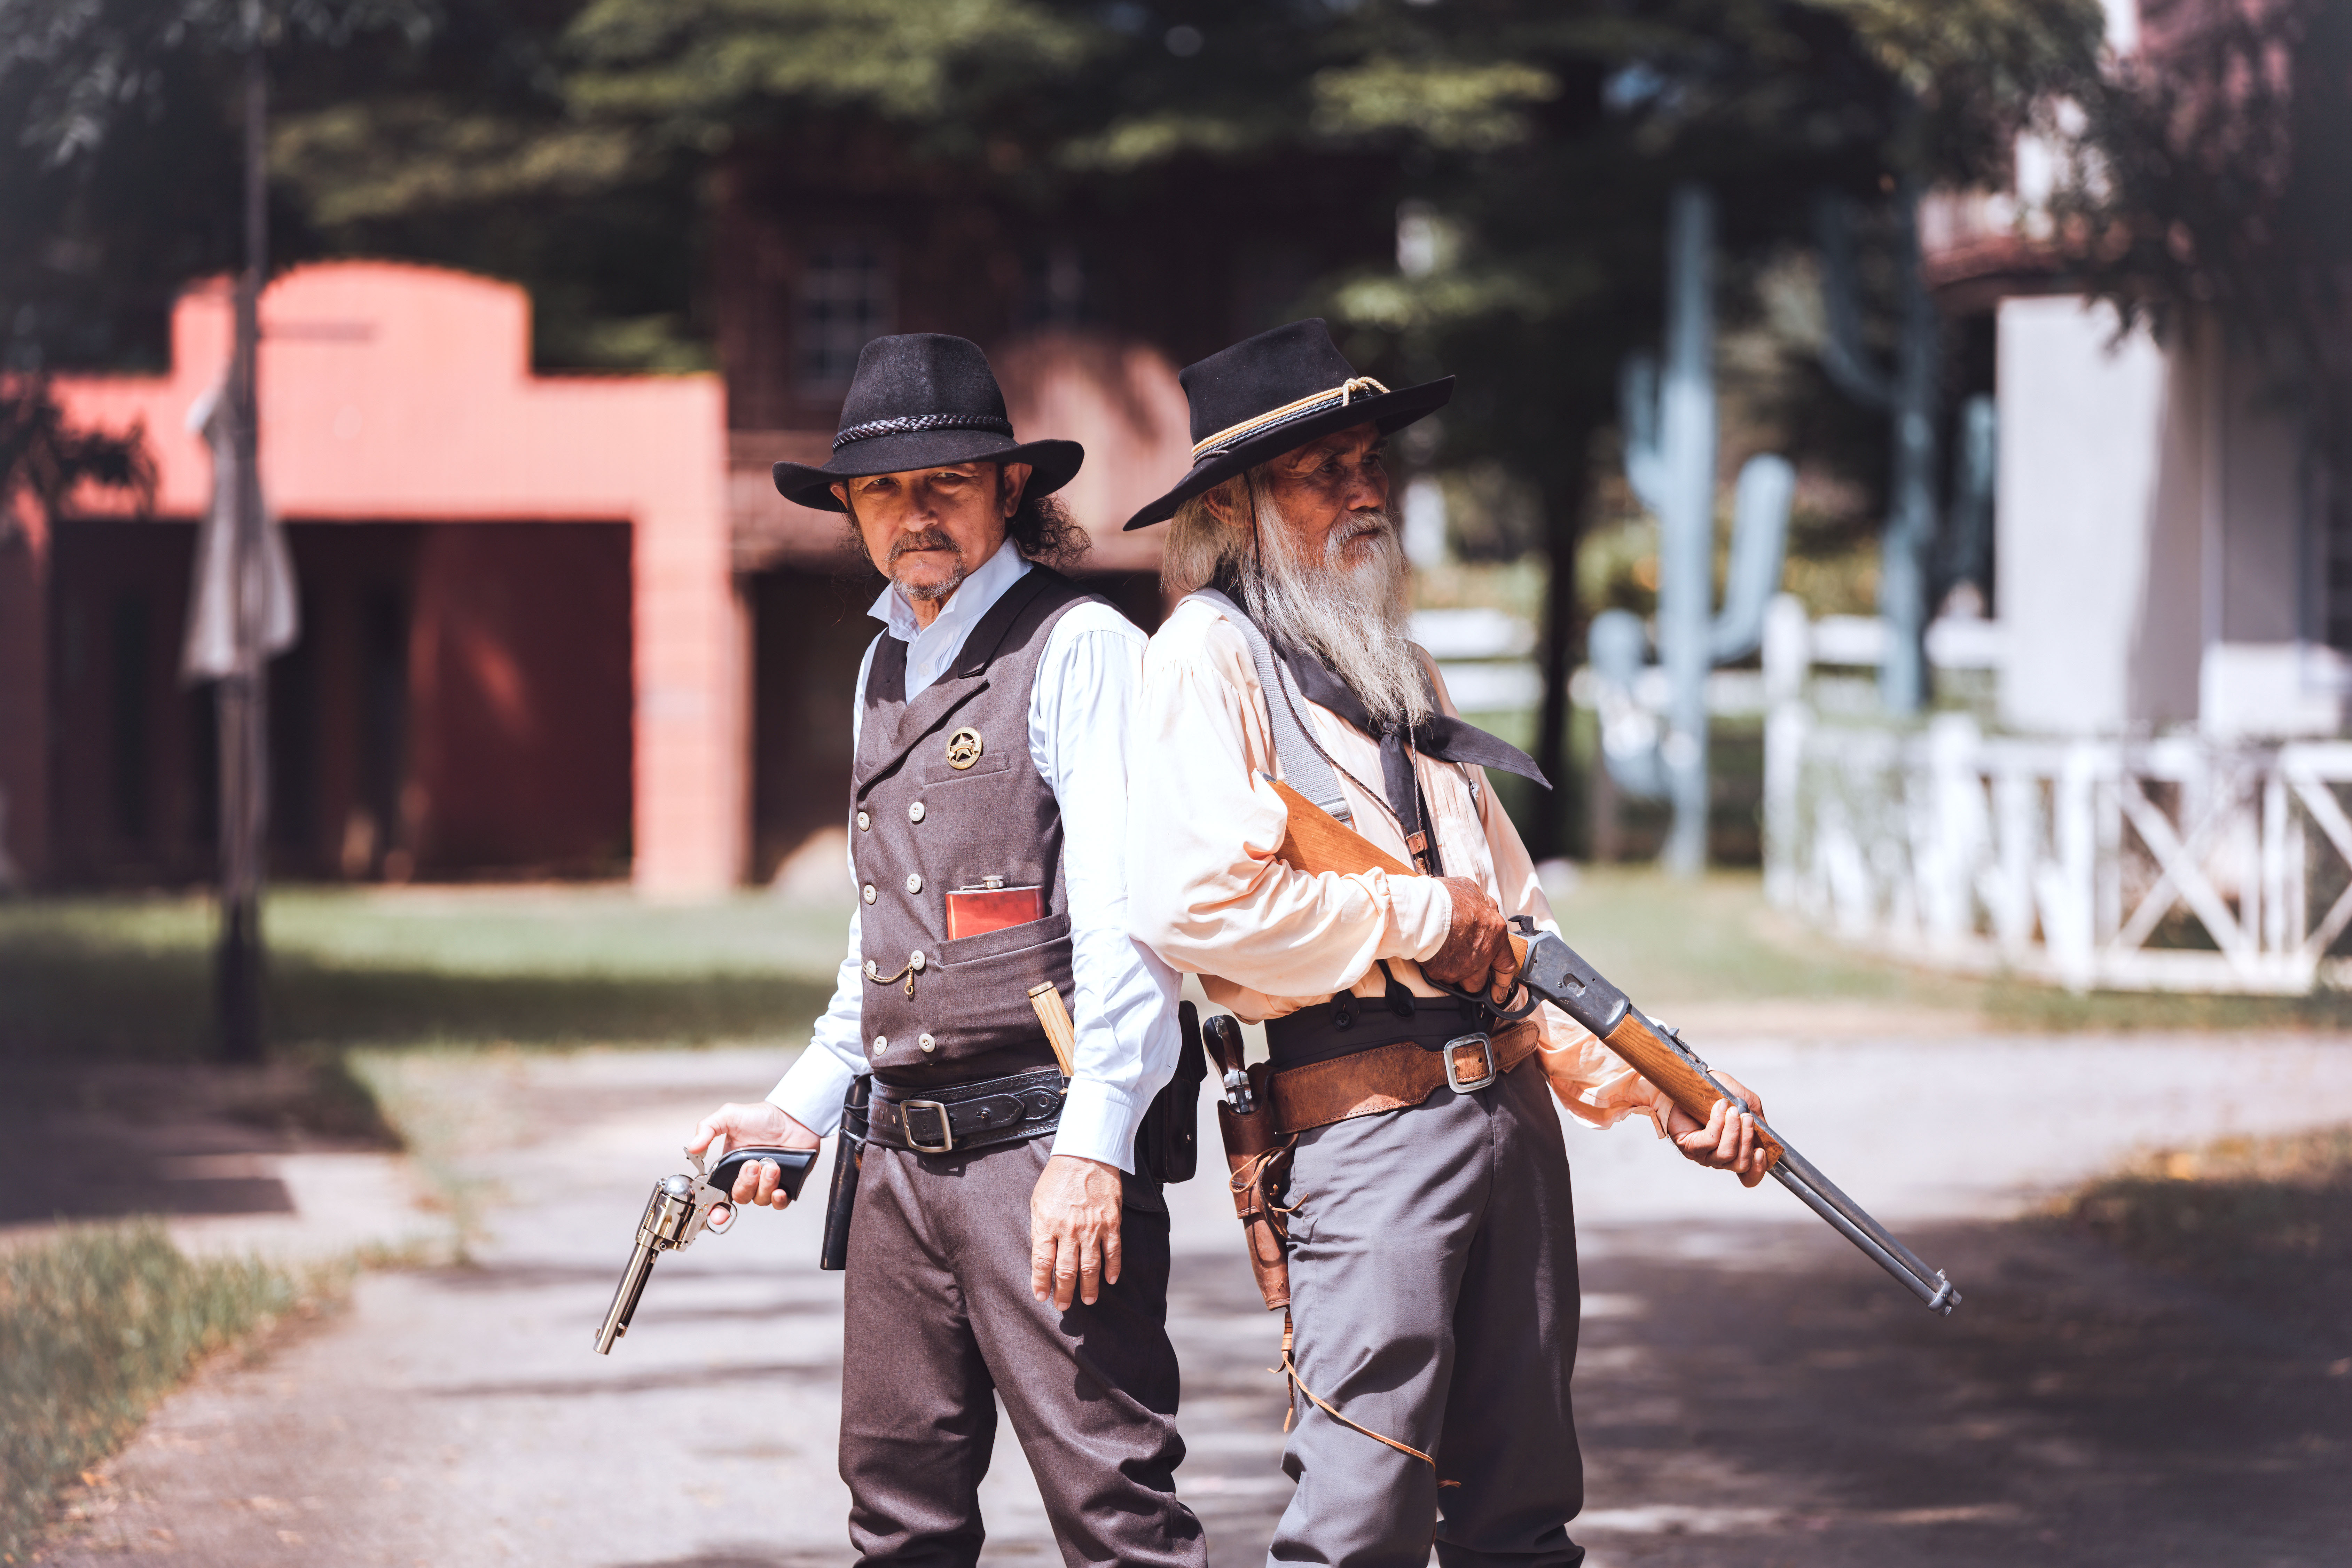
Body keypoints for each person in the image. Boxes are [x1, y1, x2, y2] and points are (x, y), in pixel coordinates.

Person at [1120, 319, 1770, 1567]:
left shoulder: (1399, 664)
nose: (1362, 489)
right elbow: (1192, 906)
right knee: (1356, 1522)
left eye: (1370, 460)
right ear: (1234, 506)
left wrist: (1667, 1090)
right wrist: (1419, 915)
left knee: (1523, 1518)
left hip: (1509, 1117)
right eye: (1321, 470)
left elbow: (1519, 934)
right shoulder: (1205, 653)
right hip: (1360, 1124)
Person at [690, 333, 1205, 1568]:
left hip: (1044, 1150)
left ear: (1009, 488)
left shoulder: (1081, 645)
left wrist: (1095, 1149)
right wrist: (798, 1108)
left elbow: (1135, 928)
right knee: (895, 1516)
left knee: (1117, 1511)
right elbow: (886, 938)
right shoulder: (882, 661)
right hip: (896, 1164)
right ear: (851, 510)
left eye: (945, 484)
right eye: (883, 490)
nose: (912, 513)